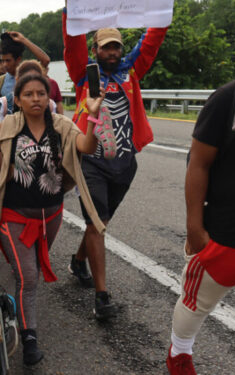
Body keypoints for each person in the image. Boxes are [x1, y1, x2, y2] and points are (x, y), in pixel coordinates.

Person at [0, 73, 106, 366]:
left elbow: (87, 147)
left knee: (29, 271)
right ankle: (29, 337)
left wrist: (94, 118)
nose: (36, 99)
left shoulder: (61, 125)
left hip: (51, 215)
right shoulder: (8, 125)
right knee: (28, 277)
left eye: (41, 94)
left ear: (49, 98)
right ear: (17, 100)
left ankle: (16, 307)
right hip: (13, 215)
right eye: (29, 94)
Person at [62, 9, 167, 319]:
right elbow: (72, 41)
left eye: (115, 46)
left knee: (101, 221)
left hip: (124, 162)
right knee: (96, 223)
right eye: (105, 46)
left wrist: (162, 8)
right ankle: (102, 297)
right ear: (95, 49)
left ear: (121, 49)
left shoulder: (132, 70)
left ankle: (78, 261)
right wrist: (72, 9)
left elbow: (153, 38)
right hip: (90, 160)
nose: (110, 52)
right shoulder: (83, 71)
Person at [165, 43, 235, 375]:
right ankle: (179, 356)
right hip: (225, 236)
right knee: (195, 303)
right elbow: (198, 165)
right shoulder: (229, 98)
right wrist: (195, 230)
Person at [0, 31, 51, 114]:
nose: (4, 64)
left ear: (18, 59)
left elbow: (45, 60)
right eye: (2, 61)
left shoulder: (31, 76)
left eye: (8, 61)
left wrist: (23, 40)